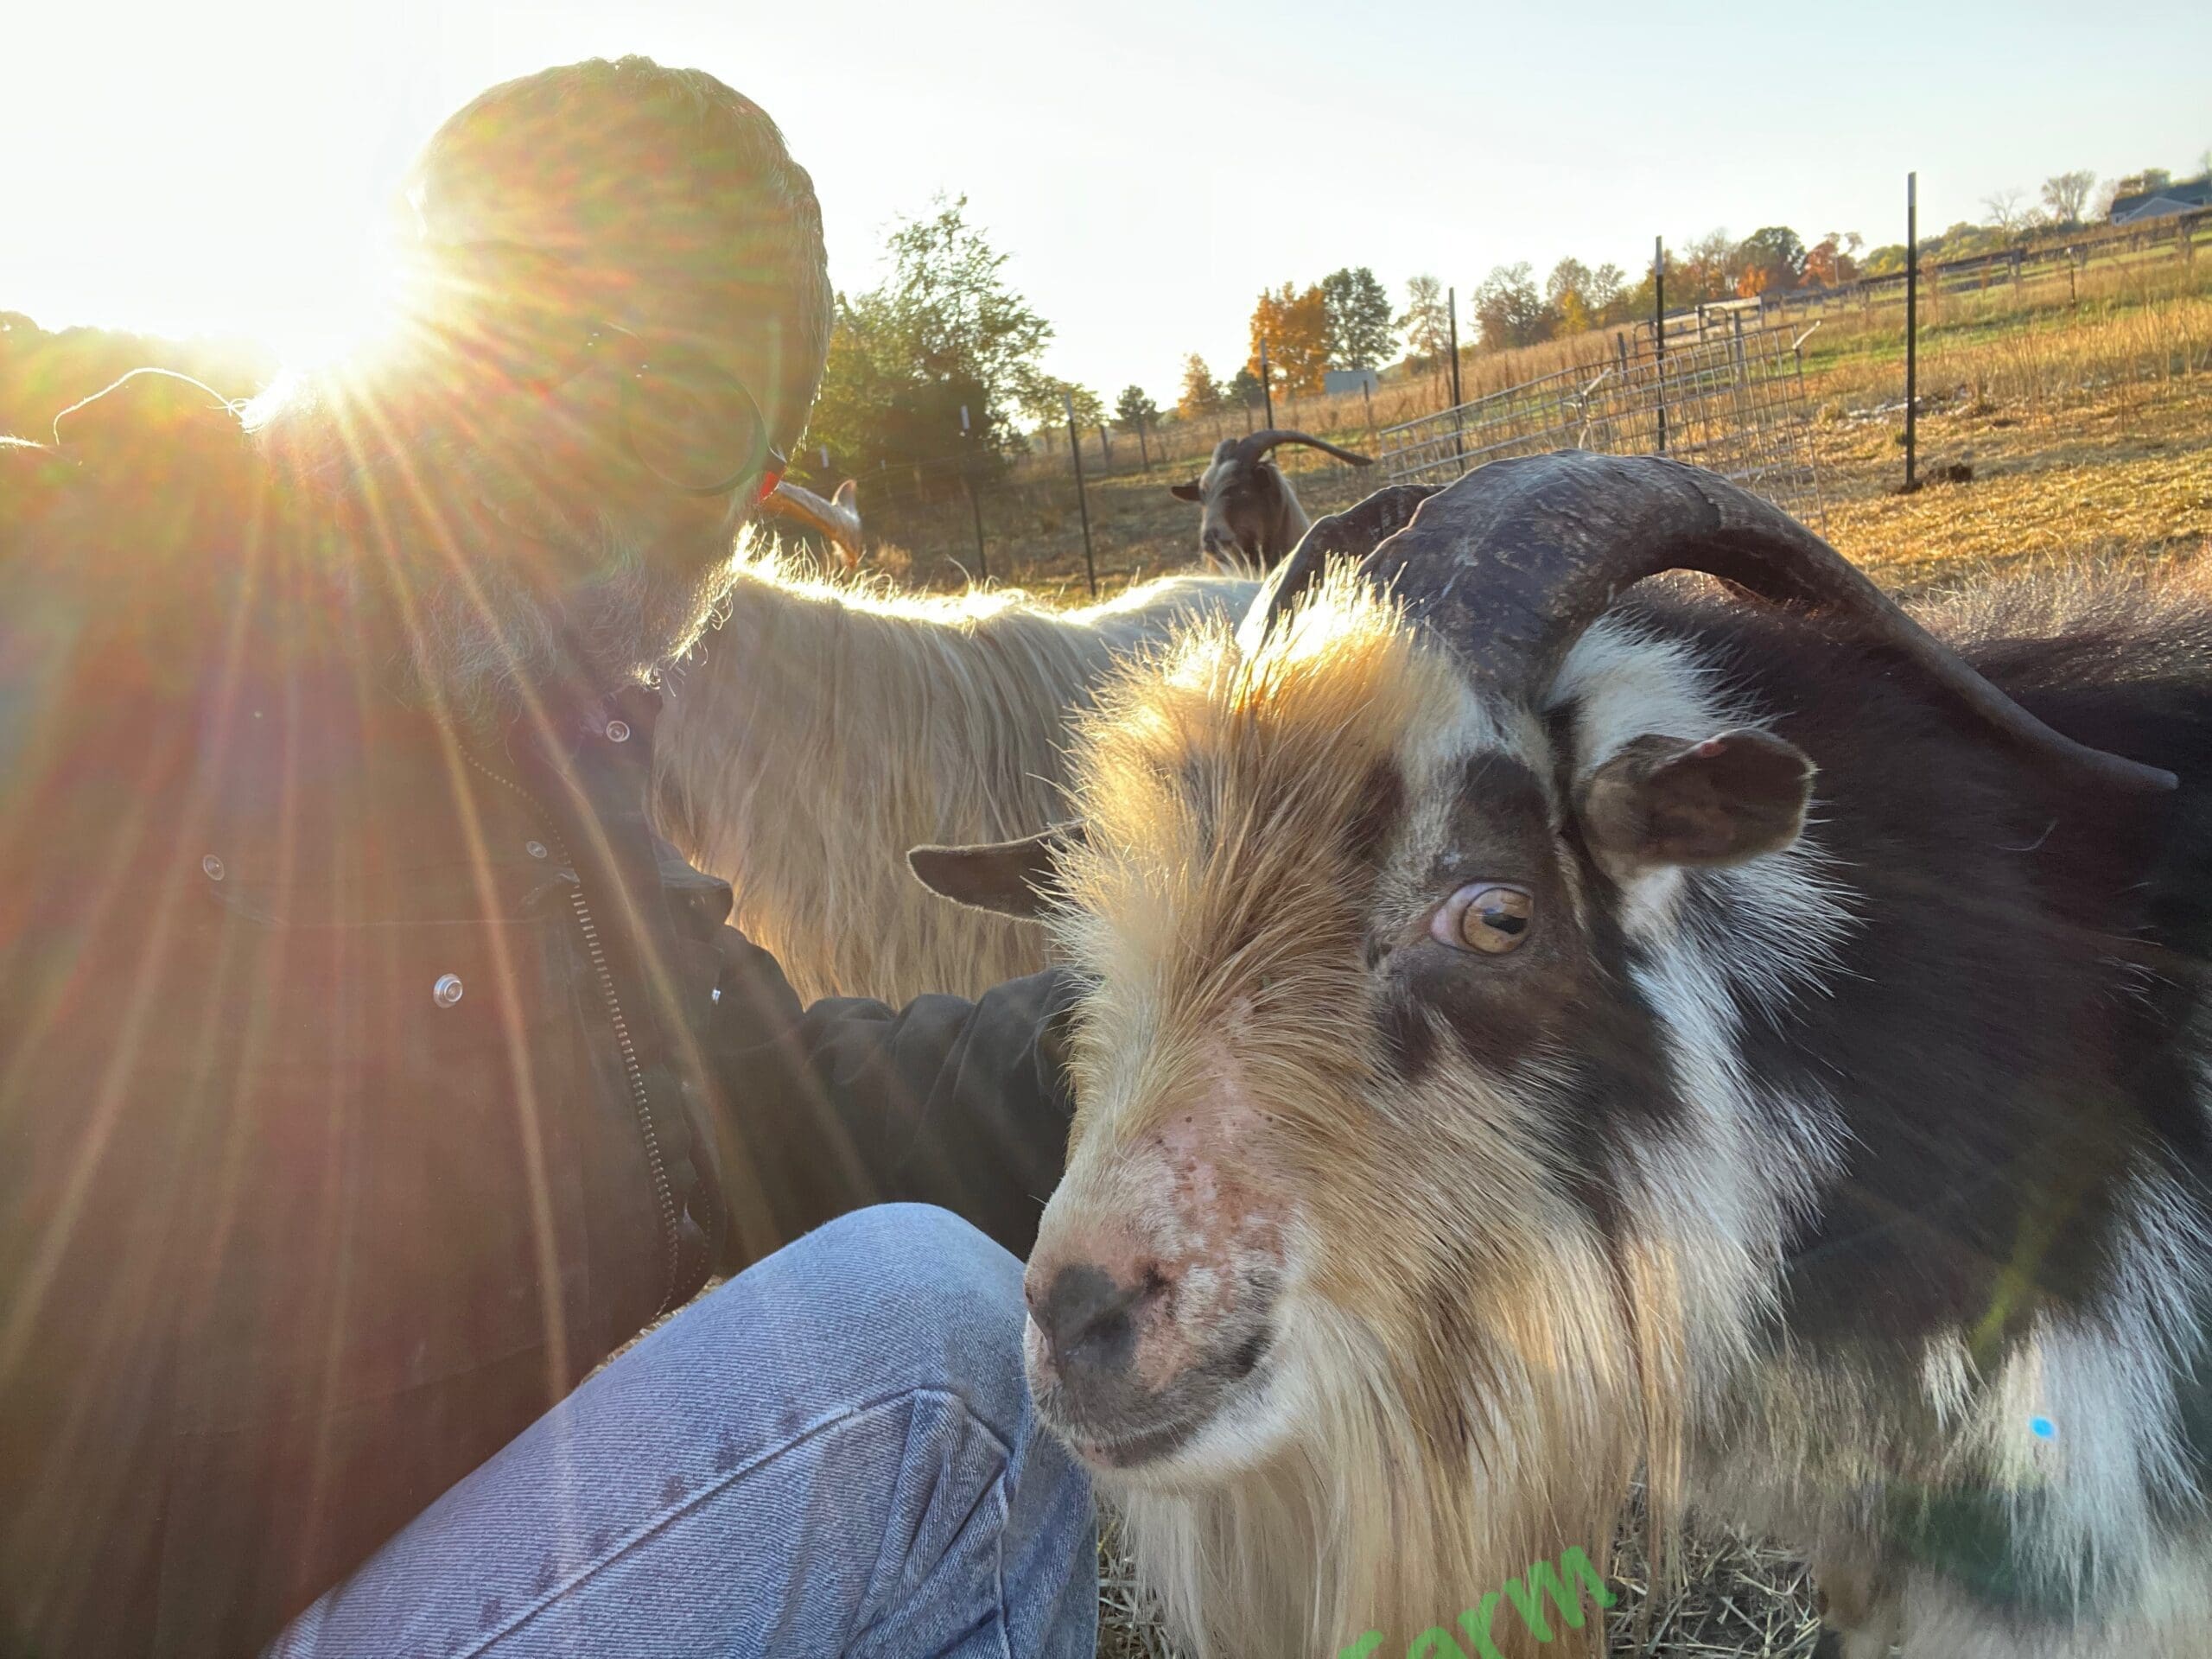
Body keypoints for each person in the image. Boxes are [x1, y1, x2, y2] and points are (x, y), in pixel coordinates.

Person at [0, 58, 1094, 1657]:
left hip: (433, 1577)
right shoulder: (94, 600)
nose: (587, 450)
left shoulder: (557, 784)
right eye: (534, 338)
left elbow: (786, 1116)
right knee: (936, 1380)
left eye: (702, 436)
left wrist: (1173, 1019)